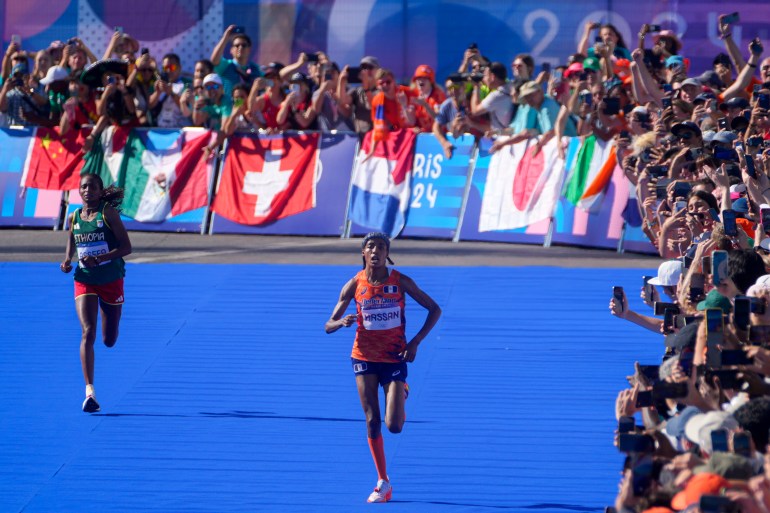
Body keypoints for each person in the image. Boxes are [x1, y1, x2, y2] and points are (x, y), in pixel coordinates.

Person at [324, 232, 441, 503]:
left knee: (394, 426)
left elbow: (434, 309)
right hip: (363, 357)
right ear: (363, 253)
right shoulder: (354, 284)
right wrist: (341, 323)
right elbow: (327, 324)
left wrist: (416, 342)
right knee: (371, 419)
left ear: (386, 253)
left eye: (381, 247)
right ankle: (383, 481)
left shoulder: (400, 281)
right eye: (370, 246)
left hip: (394, 357)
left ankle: (402, 390)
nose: (375, 251)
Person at [60, 173, 132, 413]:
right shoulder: (74, 216)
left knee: (108, 339)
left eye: (92, 186)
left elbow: (126, 247)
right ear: (79, 192)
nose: (87, 190)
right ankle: (89, 392)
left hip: (111, 279)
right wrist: (68, 259)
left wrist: (100, 258)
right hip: (85, 279)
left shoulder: (107, 213)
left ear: (100, 191)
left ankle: (109, 318)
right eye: (83, 186)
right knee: (87, 331)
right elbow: (72, 239)